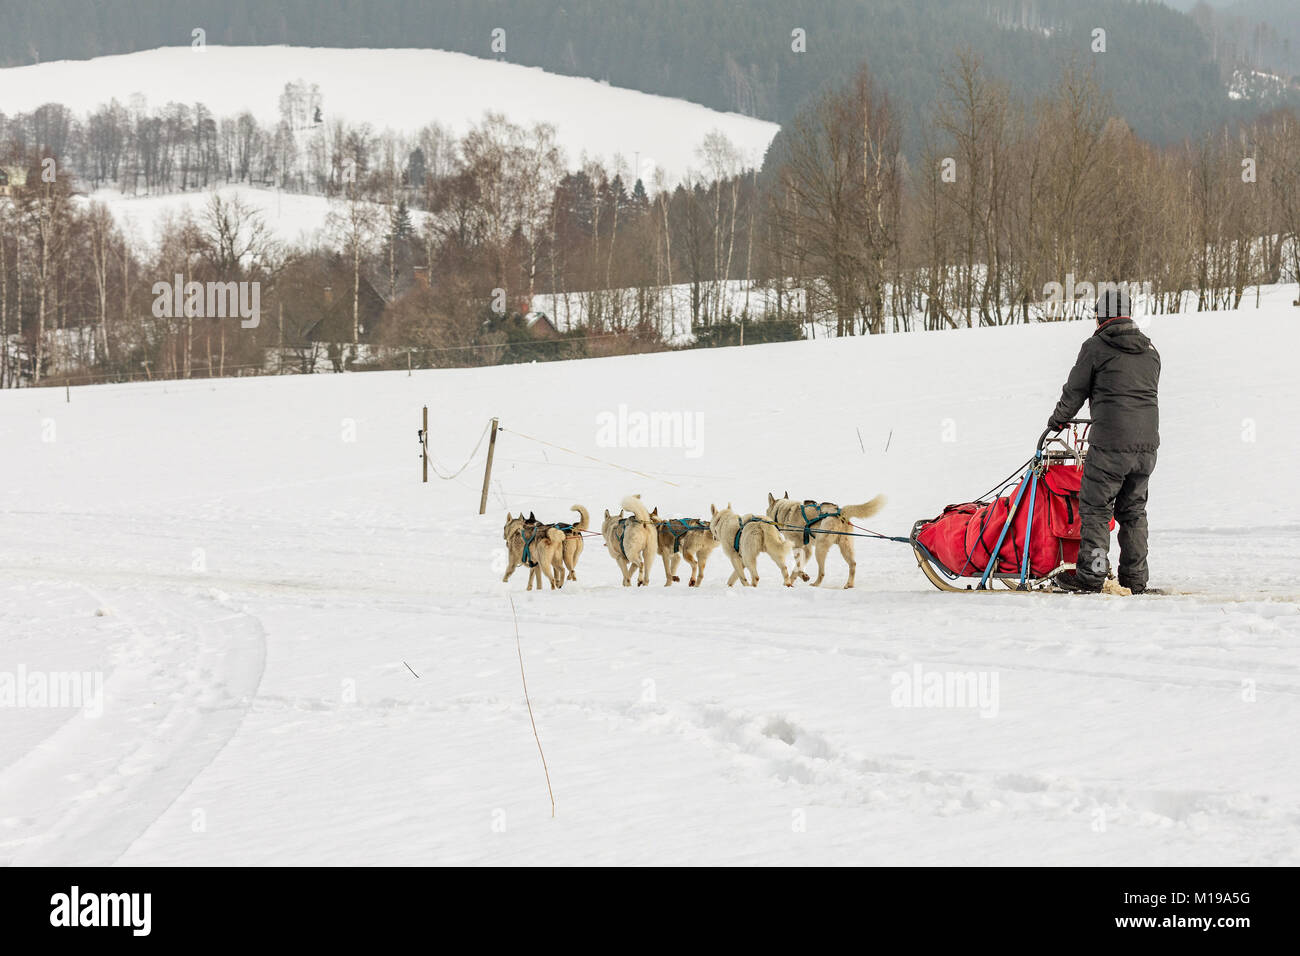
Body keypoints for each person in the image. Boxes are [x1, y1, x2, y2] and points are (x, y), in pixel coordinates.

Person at [1047, 287, 1160, 594]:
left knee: (1096, 509)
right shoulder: (1150, 351)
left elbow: (1075, 389)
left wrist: (1058, 421)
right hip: (1147, 447)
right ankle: (1135, 580)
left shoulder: (1096, 346)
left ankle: (1091, 576)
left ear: (1101, 316)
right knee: (1133, 511)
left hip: (1111, 443)